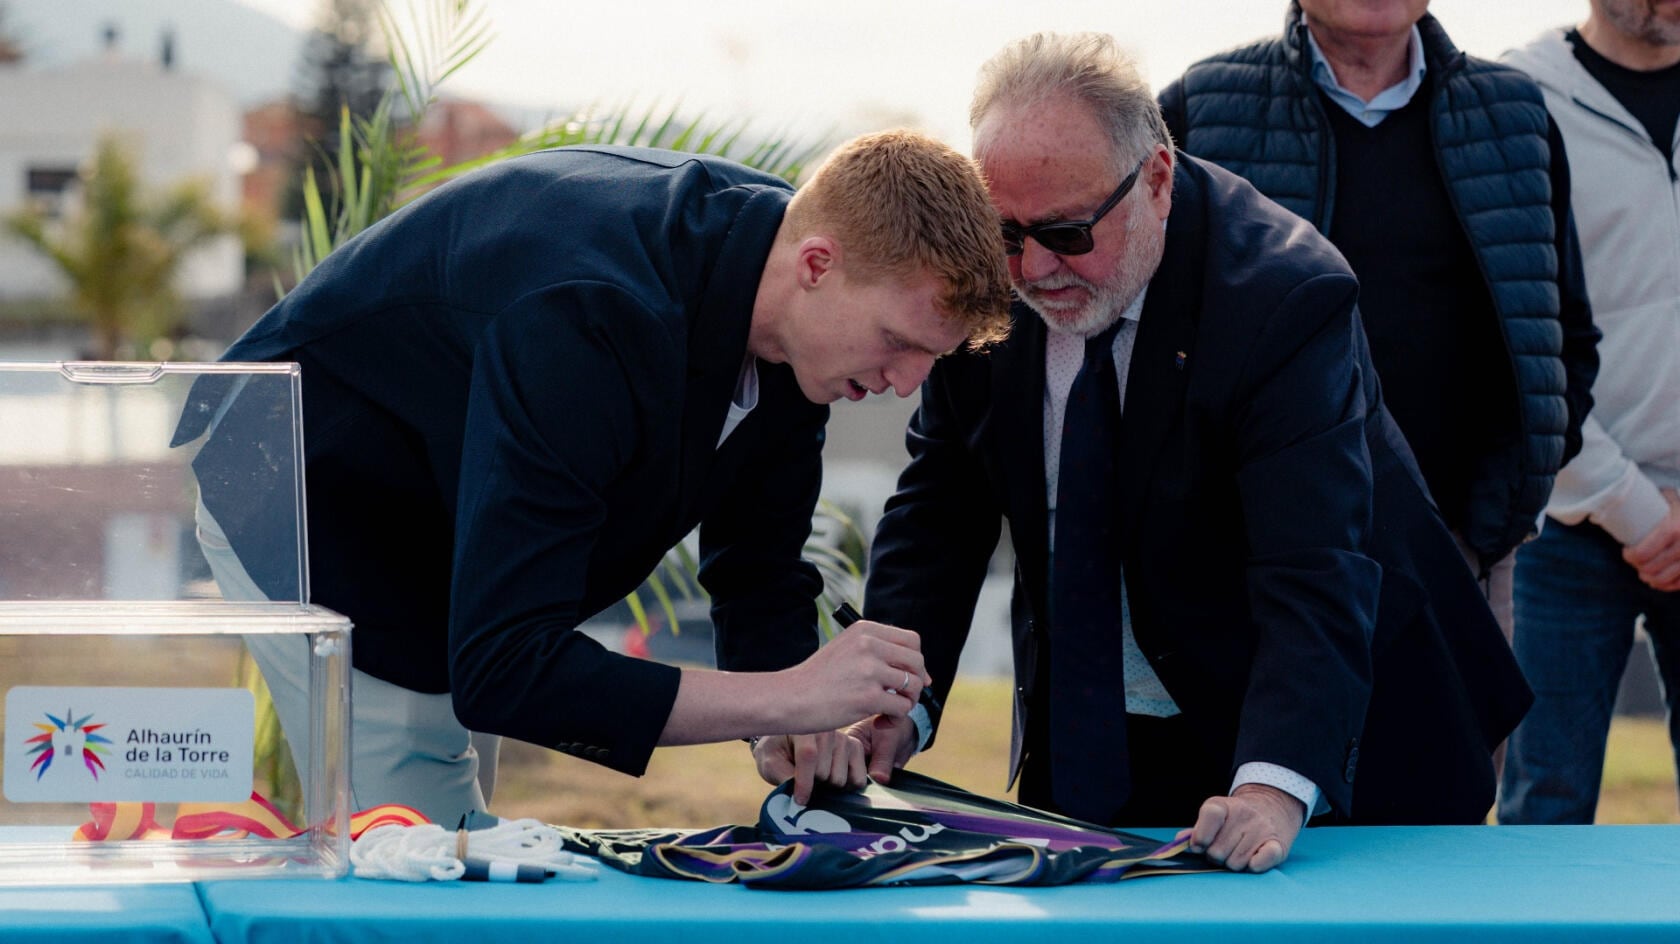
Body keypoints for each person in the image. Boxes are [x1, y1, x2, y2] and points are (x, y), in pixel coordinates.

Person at [762, 32, 1532, 874]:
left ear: (1157, 180)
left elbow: (1314, 564)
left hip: (1333, 734)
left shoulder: (1284, 297)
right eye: (1006, 231)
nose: (1032, 267)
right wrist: (892, 703)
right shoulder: (991, 276)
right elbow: (941, 509)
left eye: (1064, 232)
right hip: (1101, 729)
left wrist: (1273, 784)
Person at [175, 132, 1014, 824]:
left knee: (461, 828)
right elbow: (504, 670)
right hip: (308, 489)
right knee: (424, 862)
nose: (907, 384)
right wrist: (784, 695)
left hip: (446, 506)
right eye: (899, 342)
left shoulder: (793, 306)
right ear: (819, 265)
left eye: (930, 362)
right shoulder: (589, 316)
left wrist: (790, 724)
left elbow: (756, 570)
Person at [1157, 1, 1600, 653]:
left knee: (1459, 758)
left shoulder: (1516, 113)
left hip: (1459, 556)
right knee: (1271, 758)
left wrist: (1502, 511)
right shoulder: (1200, 105)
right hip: (1256, 564)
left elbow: (1564, 338)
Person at [1498, 0, 1680, 824]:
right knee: (1546, 806)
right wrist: (1638, 511)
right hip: (1565, 529)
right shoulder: (1518, 97)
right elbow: (1521, 341)